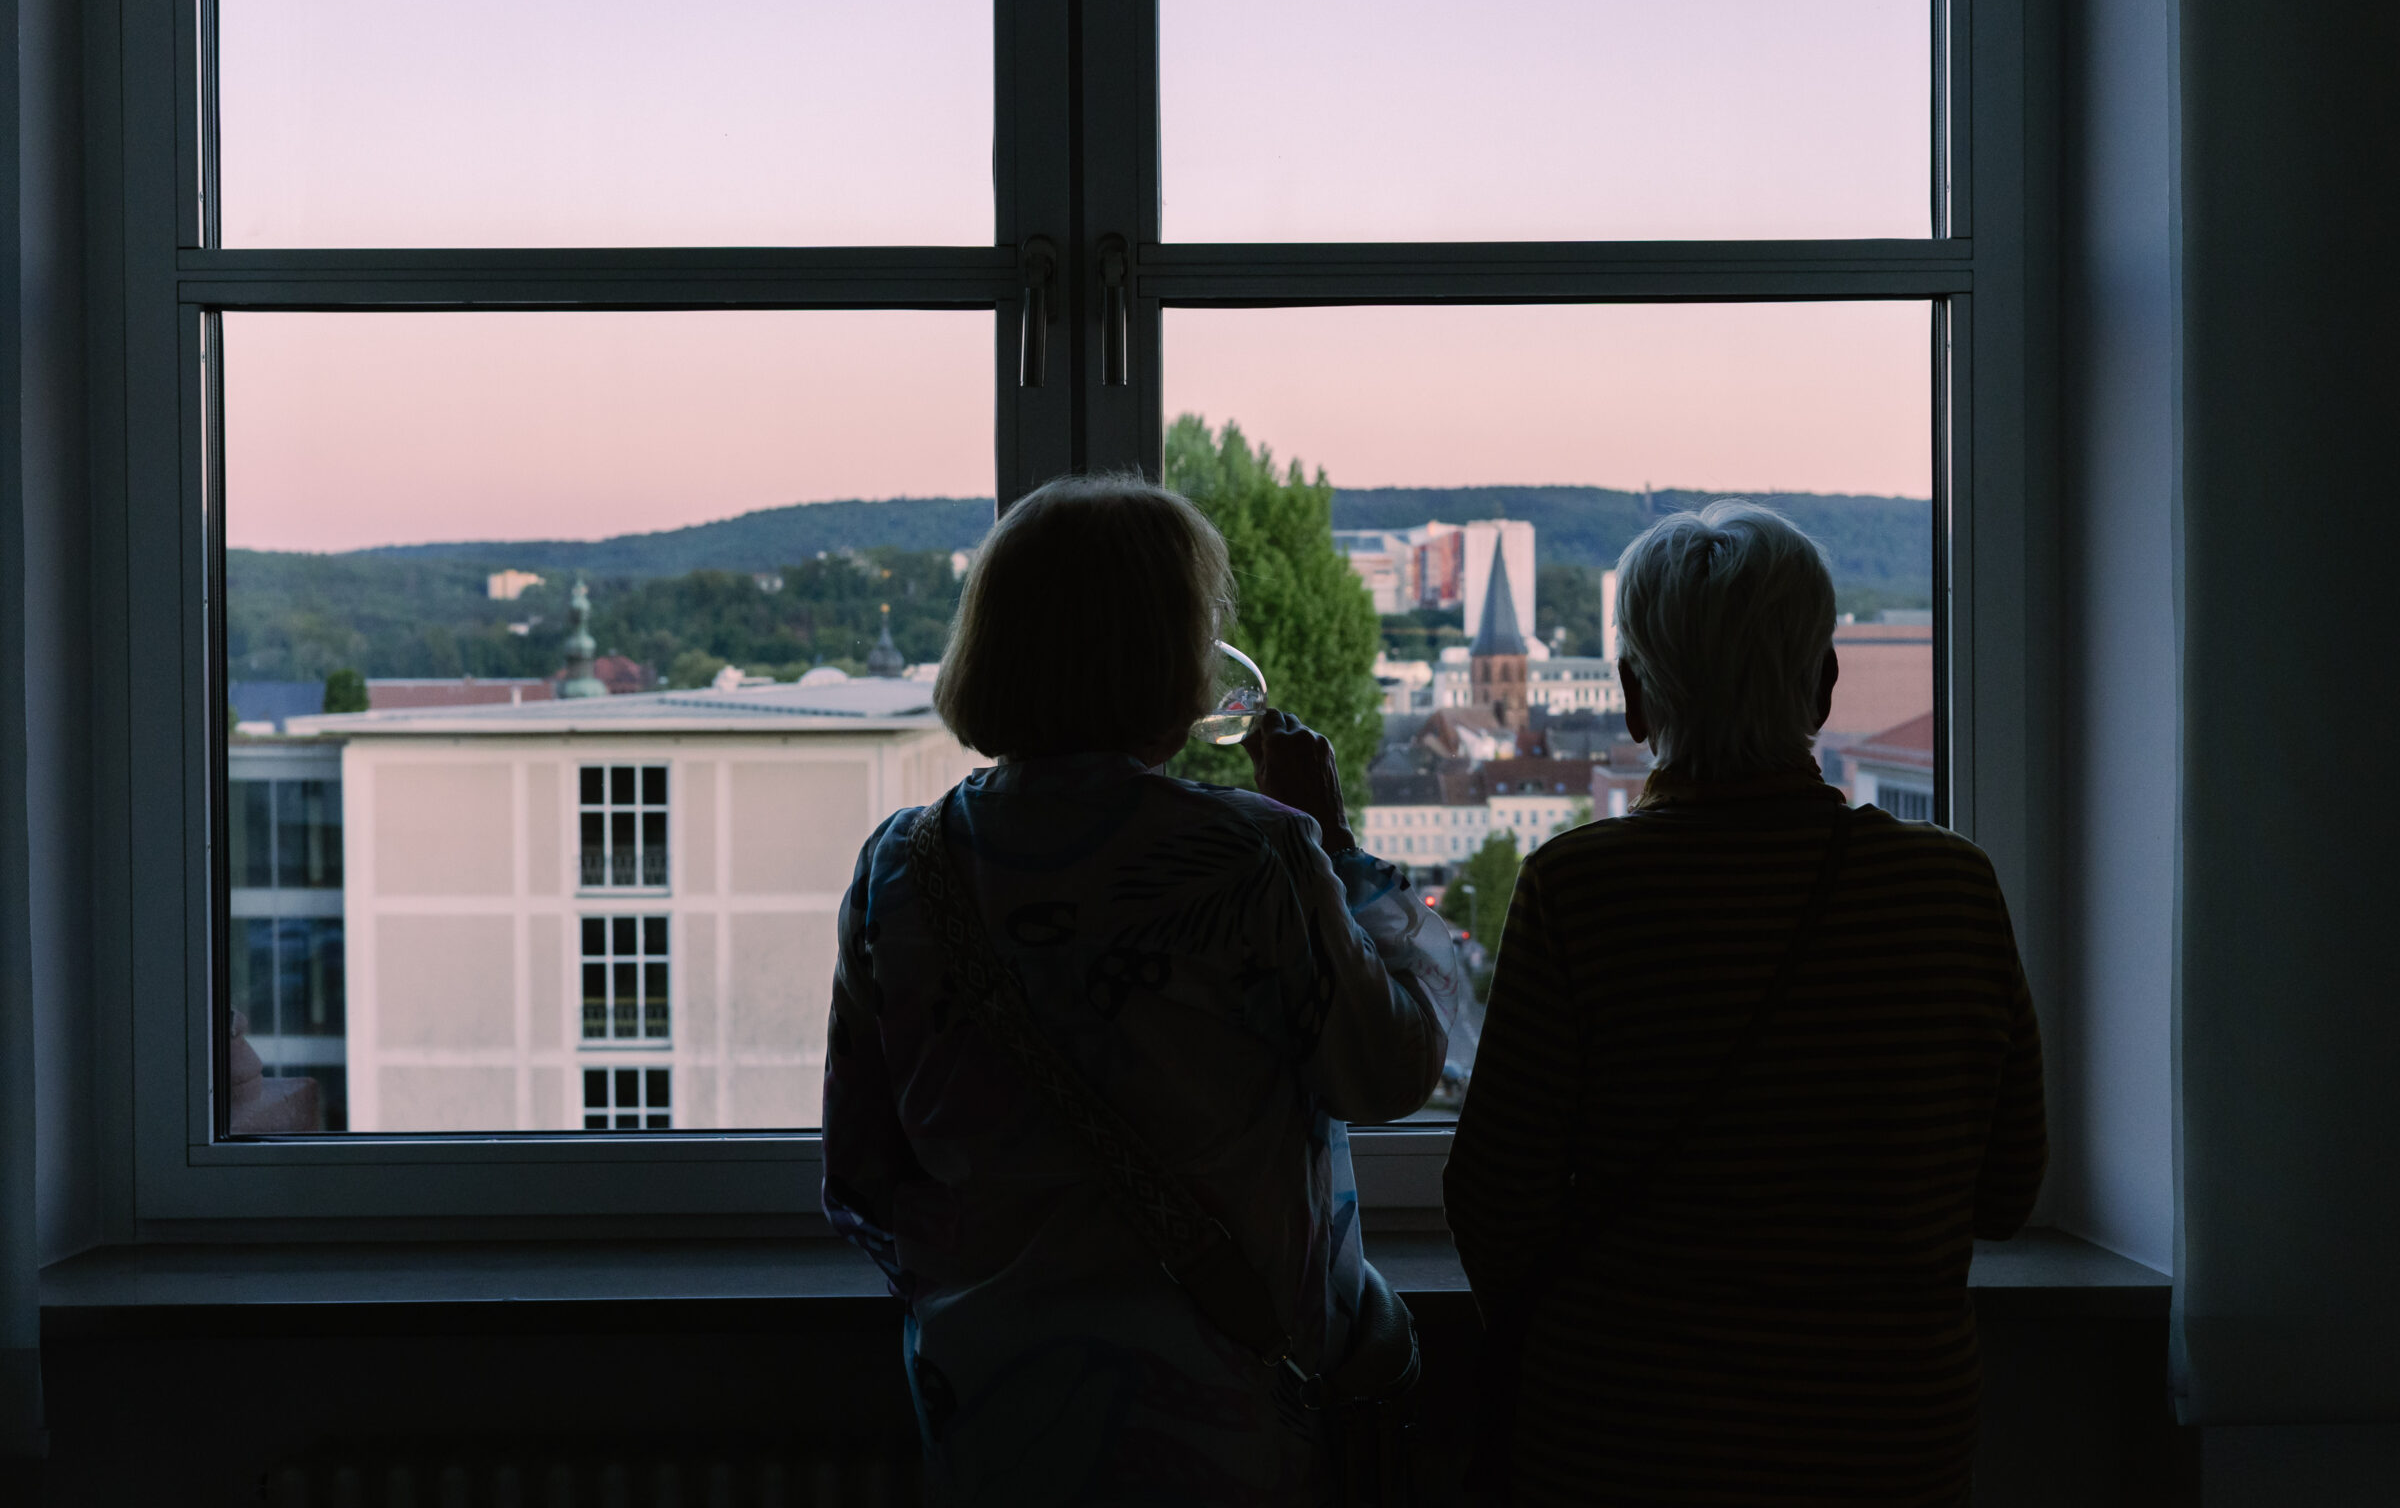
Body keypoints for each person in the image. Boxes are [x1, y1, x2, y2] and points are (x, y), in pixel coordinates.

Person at [822, 474, 1461, 1505]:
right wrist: (1340, 849)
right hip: (1226, 1424)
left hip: (997, 1422)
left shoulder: (902, 864)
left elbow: (860, 1171)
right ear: (1167, 655)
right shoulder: (1256, 857)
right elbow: (1394, 1069)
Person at [1445, 500, 2046, 1507]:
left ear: (1635, 700)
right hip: (1886, 1441)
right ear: (1822, 684)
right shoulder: (1951, 888)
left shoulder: (1579, 889)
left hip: (1625, 1442)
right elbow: (2006, 1191)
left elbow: (1495, 1197)